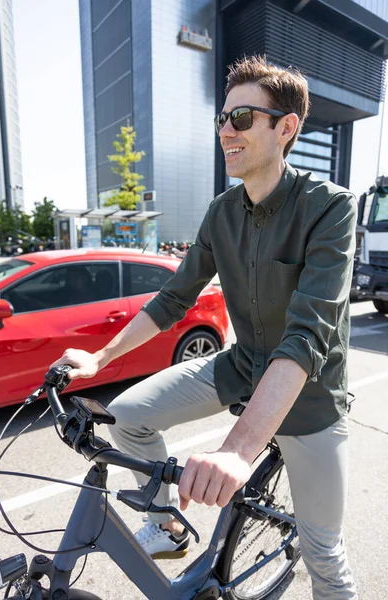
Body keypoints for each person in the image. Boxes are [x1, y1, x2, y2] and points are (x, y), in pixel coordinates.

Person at [52, 56, 357, 598]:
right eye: (222, 118)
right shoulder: (221, 212)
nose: (225, 130)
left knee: (324, 558)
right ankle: (168, 525)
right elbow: (173, 299)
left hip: (310, 400)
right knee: (126, 417)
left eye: (241, 117)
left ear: (285, 127)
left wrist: (237, 451)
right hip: (241, 368)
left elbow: (308, 334)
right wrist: (100, 359)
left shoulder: (330, 208)